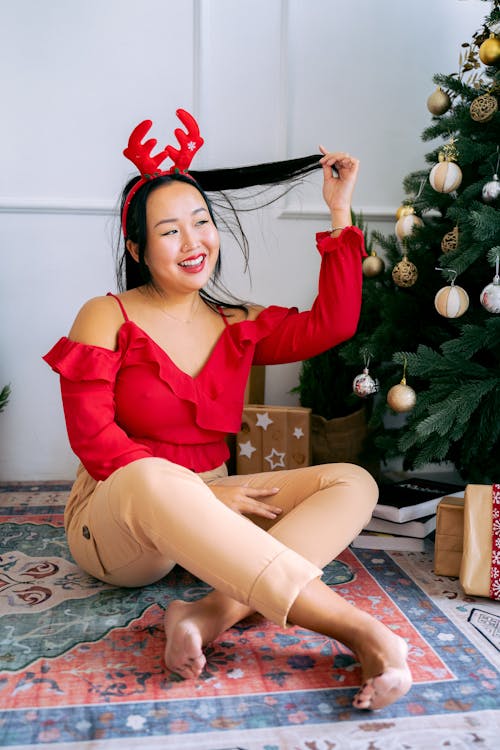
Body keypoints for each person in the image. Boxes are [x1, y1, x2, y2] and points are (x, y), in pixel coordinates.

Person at [43, 110, 412, 710]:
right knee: (145, 476)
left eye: (202, 222)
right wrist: (206, 498)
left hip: (217, 499)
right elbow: (95, 442)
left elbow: (333, 323)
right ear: (137, 247)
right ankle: (360, 631)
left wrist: (339, 209)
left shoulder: (234, 323)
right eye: (169, 232)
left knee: (352, 481)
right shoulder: (105, 314)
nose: (193, 243)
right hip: (120, 516)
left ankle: (208, 613)